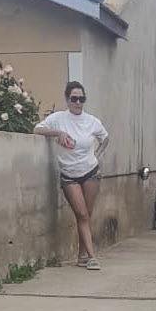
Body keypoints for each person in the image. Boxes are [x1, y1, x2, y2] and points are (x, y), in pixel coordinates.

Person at [35, 81, 109, 271]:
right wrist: (58, 133)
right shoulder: (58, 118)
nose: (78, 103)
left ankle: (82, 256)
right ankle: (92, 257)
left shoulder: (92, 121)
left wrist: (98, 156)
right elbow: (37, 129)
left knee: (86, 215)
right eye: (74, 99)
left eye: (81, 99)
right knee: (81, 213)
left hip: (90, 172)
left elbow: (105, 138)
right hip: (69, 175)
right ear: (67, 99)